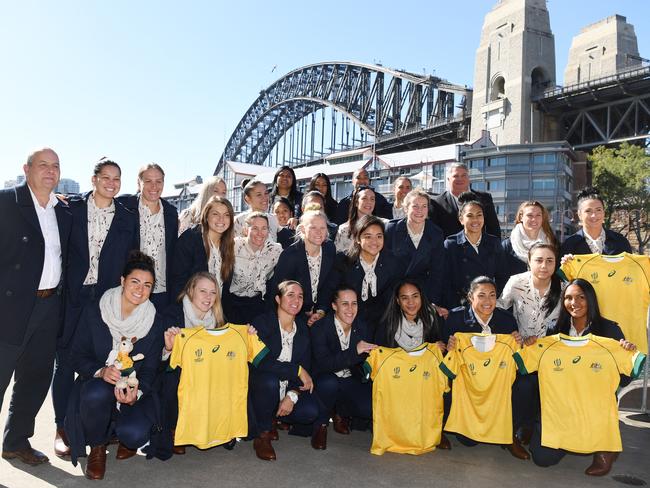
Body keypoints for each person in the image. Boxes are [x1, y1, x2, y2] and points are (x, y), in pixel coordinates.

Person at [53, 158, 138, 458]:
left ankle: (100, 425)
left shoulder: (128, 217)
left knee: (103, 359)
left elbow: (131, 260)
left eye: (117, 178)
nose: (111, 183)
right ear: (94, 179)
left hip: (106, 300)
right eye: (106, 177)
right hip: (73, 297)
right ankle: (61, 426)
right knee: (65, 362)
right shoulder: (70, 209)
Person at [0, 148, 72, 466]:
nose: (50, 171)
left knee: (35, 378)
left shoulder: (62, 211)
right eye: (43, 165)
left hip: (48, 307)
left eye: (55, 166)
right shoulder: (6, 202)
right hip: (9, 307)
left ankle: (16, 442)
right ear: (26, 169)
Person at [65, 252, 163, 480]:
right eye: (135, 282)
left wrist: (136, 393)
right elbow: (76, 355)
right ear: (122, 281)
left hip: (131, 385)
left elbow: (150, 369)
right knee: (96, 393)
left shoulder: (153, 320)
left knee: (135, 434)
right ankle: (98, 447)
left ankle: (119, 428)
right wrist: (101, 371)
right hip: (99, 383)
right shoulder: (96, 310)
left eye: (147, 285)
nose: (140, 290)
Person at [525, 278, 637, 475]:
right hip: (562, 407)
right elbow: (535, 369)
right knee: (542, 459)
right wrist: (531, 345)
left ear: (591, 299)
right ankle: (572, 440)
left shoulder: (609, 330)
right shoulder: (554, 329)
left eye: (580, 297)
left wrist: (626, 352)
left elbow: (625, 380)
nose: (574, 303)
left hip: (594, 405)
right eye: (568, 298)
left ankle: (606, 447)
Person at [443, 276, 529, 460]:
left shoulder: (506, 320)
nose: (487, 301)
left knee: (526, 385)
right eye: (481, 295)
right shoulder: (456, 319)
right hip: (468, 386)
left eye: (492, 295)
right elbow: (445, 356)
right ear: (470, 297)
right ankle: (442, 425)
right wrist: (449, 347)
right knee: (468, 441)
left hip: (496, 384)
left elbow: (516, 358)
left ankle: (509, 434)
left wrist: (518, 343)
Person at [497, 243, 565, 444]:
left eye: (549, 260)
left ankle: (541, 428)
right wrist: (513, 335)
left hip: (551, 353)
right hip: (522, 352)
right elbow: (500, 311)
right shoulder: (516, 282)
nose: (544, 265)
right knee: (524, 386)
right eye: (539, 260)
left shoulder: (564, 287)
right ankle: (517, 429)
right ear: (529, 261)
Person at [250, 281, 325, 460]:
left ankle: (276, 418)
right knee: (269, 381)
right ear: (278, 298)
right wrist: (296, 370)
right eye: (290, 294)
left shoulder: (303, 329)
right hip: (262, 386)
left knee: (310, 411)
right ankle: (263, 434)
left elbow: (306, 368)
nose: (296, 300)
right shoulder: (262, 322)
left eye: (300, 296)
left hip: (287, 385)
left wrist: (292, 395)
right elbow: (262, 363)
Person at [159, 271, 226, 455]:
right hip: (178, 373)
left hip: (206, 372)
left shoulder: (218, 319)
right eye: (203, 291)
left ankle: (217, 427)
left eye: (213, 293)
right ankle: (175, 429)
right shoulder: (171, 314)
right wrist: (169, 349)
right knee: (174, 379)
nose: (208, 297)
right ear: (190, 291)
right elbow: (157, 360)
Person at [311, 286, 375, 436]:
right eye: (345, 303)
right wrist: (355, 351)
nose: (350, 309)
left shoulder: (363, 327)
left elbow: (366, 363)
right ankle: (320, 425)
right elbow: (324, 364)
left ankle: (341, 412)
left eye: (354, 303)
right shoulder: (320, 328)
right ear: (334, 306)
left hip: (349, 377)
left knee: (369, 407)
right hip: (324, 377)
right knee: (329, 383)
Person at [327, 215, 403, 338]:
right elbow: (330, 291)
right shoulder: (343, 261)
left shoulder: (392, 262)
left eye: (379, 236)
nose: (374, 241)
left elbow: (392, 299)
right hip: (349, 323)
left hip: (382, 325)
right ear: (357, 238)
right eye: (368, 237)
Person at [117, 163, 179, 310]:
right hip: (132, 289)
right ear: (139, 182)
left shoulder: (171, 213)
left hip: (161, 290)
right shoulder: (124, 205)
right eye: (148, 181)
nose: (154, 186)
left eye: (159, 181)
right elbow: (100, 196)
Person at [269, 206, 336, 326]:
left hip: (320, 313)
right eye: (313, 227)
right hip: (293, 314)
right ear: (303, 229)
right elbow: (278, 291)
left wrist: (320, 311)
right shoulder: (289, 255)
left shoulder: (329, 248)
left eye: (322, 228)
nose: (319, 232)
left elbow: (329, 284)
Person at [384, 188, 445, 312]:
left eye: (424, 206)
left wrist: (430, 302)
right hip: (393, 294)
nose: (420, 211)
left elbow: (437, 272)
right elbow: (384, 267)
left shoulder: (436, 233)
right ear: (406, 209)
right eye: (415, 206)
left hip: (422, 295)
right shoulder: (391, 229)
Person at [443, 192, 508, 308]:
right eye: (470, 215)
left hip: (489, 306)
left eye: (479, 215)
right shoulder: (451, 245)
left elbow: (502, 277)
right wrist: (454, 308)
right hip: (461, 307)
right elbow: (445, 281)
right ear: (461, 219)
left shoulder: (494, 243)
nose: (475, 220)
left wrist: (492, 298)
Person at [170, 196, 235, 299]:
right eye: (215, 214)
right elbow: (178, 282)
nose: (221, 219)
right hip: (189, 308)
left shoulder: (228, 245)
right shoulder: (190, 239)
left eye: (226, 215)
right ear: (206, 215)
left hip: (217, 310)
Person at [223, 212, 282, 324]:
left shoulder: (275, 250)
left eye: (264, 228)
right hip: (233, 303)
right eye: (255, 228)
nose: (260, 233)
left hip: (258, 304)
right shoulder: (234, 246)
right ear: (246, 230)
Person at [429, 162, 501, 238]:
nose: (460, 179)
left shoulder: (484, 198)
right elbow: (434, 233)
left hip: (479, 248)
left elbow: (494, 228)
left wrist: (494, 248)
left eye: (464, 175)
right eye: (456, 176)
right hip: (449, 249)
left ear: (468, 178)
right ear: (448, 179)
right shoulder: (437, 202)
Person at [560, 187, 632, 258]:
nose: (594, 215)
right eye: (588, 211)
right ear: (579, 214)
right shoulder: (569, 245)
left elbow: (630, 268)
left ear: (604, 213)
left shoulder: (620, 242)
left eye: (598, 210)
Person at [502, 201, 558, 278]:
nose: (534, 219)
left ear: (542, 218)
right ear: (521, 217)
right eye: (529, 215)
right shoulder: (507, 245)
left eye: (538, 215)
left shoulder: (553, 242)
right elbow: (500, 276)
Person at [335, 186, 387, 253]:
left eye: (372, 199)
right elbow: (337, 254)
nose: (369, 202)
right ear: (356, 203)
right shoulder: (344, 229)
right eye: (364, 198)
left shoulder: (385, 224)